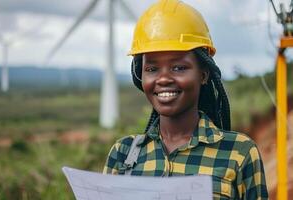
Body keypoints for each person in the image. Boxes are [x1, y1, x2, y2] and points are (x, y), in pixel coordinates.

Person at [103, 0, 268, 199]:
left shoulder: (239, 152)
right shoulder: (123, 154)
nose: (163, 78)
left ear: (204, 74)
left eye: (179, 67)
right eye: (152, 69)